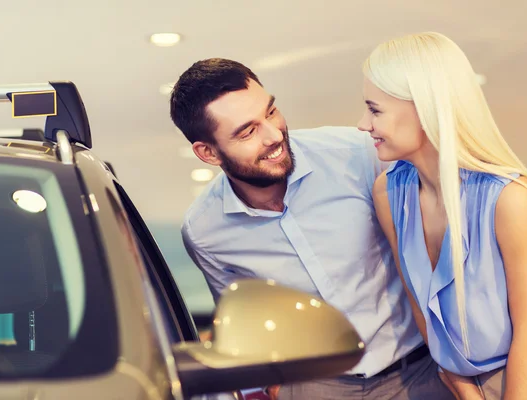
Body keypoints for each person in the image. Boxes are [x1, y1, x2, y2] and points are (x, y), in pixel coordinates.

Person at [170, 58, 454, 399]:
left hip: (418, 374)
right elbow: (244, 325)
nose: (274, 135)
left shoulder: (358, 155)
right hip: (314, 388)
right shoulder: (204, 231)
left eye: (271, 112)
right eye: (248, 131)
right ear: (207, 152)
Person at [358, 31, 527, 399]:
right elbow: (424, 314)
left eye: (374, 109)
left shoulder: (509, 198)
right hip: (456, 384)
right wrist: (465, 391)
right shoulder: (388, 193)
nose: (363, 124)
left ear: (424, 107)